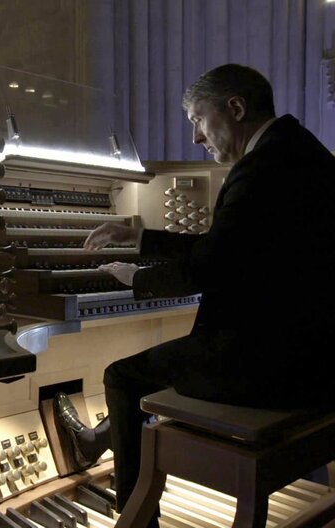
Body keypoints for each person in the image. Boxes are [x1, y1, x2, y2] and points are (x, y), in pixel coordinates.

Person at [75, 63, 335, 525]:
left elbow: (210, 266)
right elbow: (230, 250)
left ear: (235, 108)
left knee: (121, 376)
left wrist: (134, 279)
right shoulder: (302, 152)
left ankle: (135, 516)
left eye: (198, 118)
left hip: (269, 368)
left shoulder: (262, 169)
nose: (196, 137)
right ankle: (108, 436)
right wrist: (137, 237)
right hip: (319, 361)